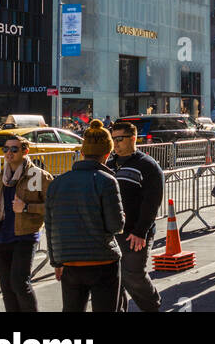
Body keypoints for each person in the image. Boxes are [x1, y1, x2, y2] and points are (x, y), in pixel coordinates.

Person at [45, 119, 125, 313]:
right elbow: (116, 225)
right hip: (103, 260)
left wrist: (56, 261)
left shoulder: (57, 183)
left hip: (70, 262)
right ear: (107, 154)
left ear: (82, 152)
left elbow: (50, 225)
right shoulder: (107, 181)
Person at [0, 133, 52, 312]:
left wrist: (26, 207)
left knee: (19, 283)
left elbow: (53, 205)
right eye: (6, 149)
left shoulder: (35, 176)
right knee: (7, 289)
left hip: (24, 237)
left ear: (25, 151)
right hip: (1, 239)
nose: (9, 153)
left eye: (14, 149)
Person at [107, 119, 165, 312]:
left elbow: (152, 201)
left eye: (120, 139)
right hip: (112, 232)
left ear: (133, 139)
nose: (116, 143)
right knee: (114, 277)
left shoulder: (147, 165)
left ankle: (152, 307)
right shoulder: (109, 164)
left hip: (135, 232)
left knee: (133, 274)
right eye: (113, 139)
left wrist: (141, 231)